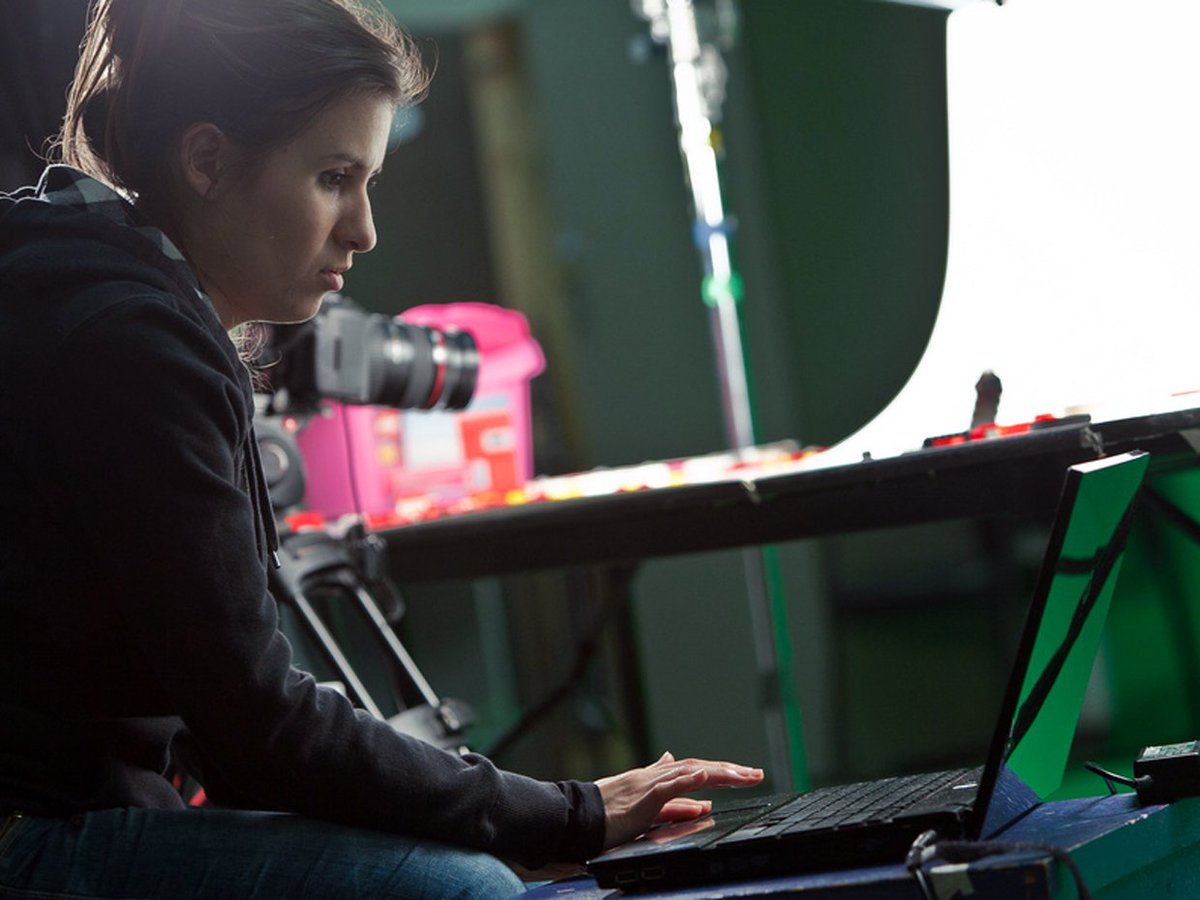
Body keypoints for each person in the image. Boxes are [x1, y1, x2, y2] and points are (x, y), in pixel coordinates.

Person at [0, 0, 764, 897]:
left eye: (367, 183)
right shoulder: (136, 347)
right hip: (33, 841)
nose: (363, 231)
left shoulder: (87, 286)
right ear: (206, 161)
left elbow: (240, 737)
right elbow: (260, 727)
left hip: (66, 814)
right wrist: (567, 813)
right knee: (471, 891)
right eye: (333, 178)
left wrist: (508, 816)